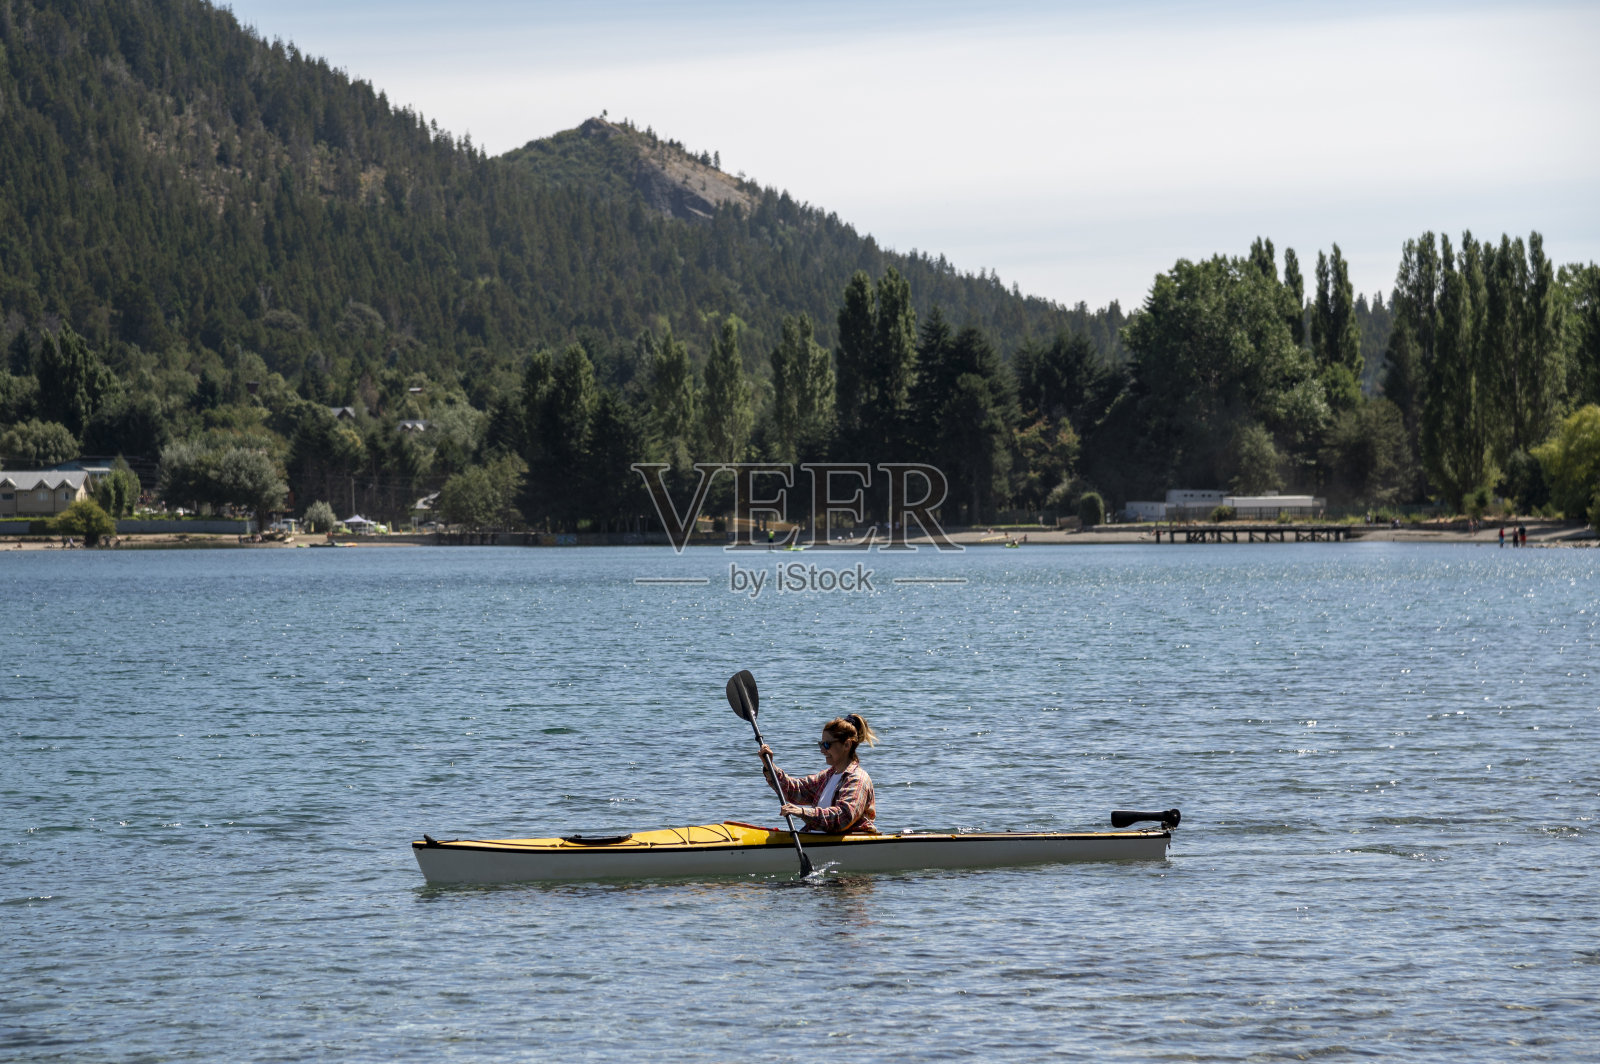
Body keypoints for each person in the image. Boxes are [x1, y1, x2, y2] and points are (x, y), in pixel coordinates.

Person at [758, 714, 878, 833]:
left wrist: (803, 812)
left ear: (847, 745)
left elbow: (843, 817)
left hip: (848, 844)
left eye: (827, 745)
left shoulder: (857, 779)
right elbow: (795, 790)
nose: (822, 750)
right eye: (821, 744)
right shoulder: (828, 776)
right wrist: (770, 767)